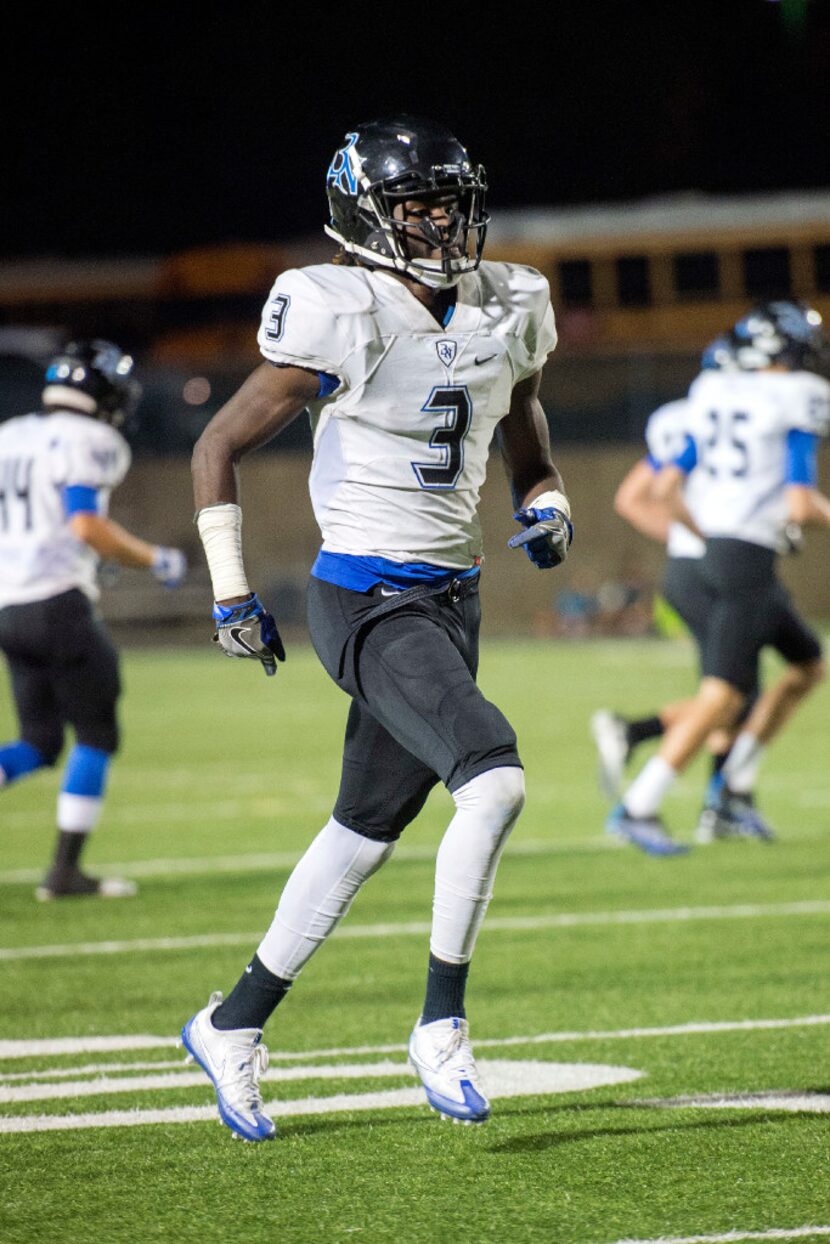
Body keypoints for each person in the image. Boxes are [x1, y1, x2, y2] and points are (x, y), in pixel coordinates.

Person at [180, 115, 572, 1142]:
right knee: (493, 778)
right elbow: (217, 442)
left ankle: (232, 1021)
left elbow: (517, 406)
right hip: (364, 595)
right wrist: (230, 592)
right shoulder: (338, 307)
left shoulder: (507, 299)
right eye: (414, 207)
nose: (439, 222)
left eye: (449, 202)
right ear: (364, 217)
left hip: (451, 595)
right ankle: (440, 1020)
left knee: (361, 833)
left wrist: (547, 493)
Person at [606, 301, 830, 853]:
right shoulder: (796, 399)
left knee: (806, 664)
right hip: (745, 557)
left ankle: (730, 792)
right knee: (726, 694)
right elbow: (801, 505)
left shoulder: (710, 396)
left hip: (712, 554)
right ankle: (639, 804)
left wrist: (705, 532)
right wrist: (756, 524)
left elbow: (660, 491)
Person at [0, 339, 187, 899]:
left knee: (38, 743)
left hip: (7, 603)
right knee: (98, 733)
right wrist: (156, 558)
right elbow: (85, 525)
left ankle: (64, 871)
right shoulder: (90, 438)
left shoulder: (10, 435)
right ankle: (63, 872)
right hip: (55, 600)